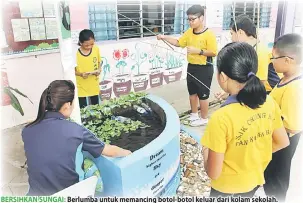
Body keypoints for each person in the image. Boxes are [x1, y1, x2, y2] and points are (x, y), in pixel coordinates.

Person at [201, 42, 289, 197]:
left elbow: (213, 173)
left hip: (225, 189)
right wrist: (255, 157)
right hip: (253, 182)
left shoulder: (221, 118)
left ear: (222, 77)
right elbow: (282, 141)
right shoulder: (268, 102)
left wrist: (205, 152)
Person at [22, 80, 131, 196]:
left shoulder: (27, 130)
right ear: (67, 105)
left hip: (35, 195)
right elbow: (109, 151)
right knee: (89, 164)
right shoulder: (76, 131)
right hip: (70, 195)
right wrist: (128, 153)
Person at [157, 5, 217, 126]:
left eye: (193, 19)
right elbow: (179, 43)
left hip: (204, 68)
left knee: (203, 94)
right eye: (188, 19)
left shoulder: (209, 34)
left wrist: (198, 51)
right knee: (192, 93)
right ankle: (194, 114)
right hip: (192, 66)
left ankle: (204, 118)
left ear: (202, 18)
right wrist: (164, 37)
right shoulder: (189, 32)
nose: (190, 22)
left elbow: (214, 52)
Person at [263, 33, 303, 202]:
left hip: (282, 143)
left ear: (288, 60)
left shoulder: (294, 88)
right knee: (269, 178)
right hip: (276, 140)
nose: (271, 61)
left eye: (274, 57)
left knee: (276, 180)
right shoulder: (284, 79)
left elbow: (292, 126)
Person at [215, 14, 273, 100]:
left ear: (240, 32)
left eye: (232, 34)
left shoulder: (259, 51)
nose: (231, 38)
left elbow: (260, 83)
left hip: (266, 95)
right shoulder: (251, 49)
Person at [75, 29, 102, 108]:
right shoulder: (75, 53)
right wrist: (80, 74)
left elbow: (99, 62)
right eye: (87, 45)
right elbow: (72, 71)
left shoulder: (96, 49)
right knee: (83, 108)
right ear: (80, 43)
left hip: (93, 83)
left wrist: (99, 70)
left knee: (96, 106)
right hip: (81, 85)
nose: (90, 47)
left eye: (92, 44)